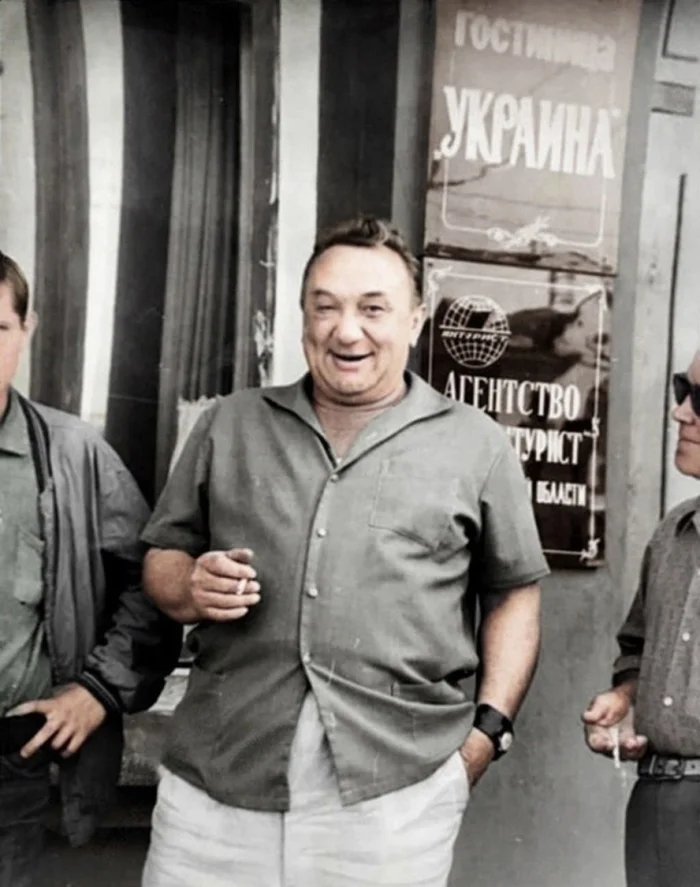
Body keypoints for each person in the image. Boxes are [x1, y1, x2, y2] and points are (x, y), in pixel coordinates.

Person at [140, 217, 549, 887]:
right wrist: (188, 585)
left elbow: (513, 597)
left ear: (416, 319)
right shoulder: (229, 424)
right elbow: (162, 557)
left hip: (393, 805)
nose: (346, 331)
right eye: (325, 307)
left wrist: (485, 735)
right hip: (214, 796)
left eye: (373, 309)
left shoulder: (476, 444)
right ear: (302, 315)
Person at [0, 250, 182, 887]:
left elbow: (154, 583)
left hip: (14, 774)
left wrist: (99, 691)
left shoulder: (72, 454)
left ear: (27, 330)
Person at [583, 348, 700, 887]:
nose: (681, 412)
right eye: (683, 390)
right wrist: (626, 699)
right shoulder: (673, 534)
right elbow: (638, 648)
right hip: (659, 806)